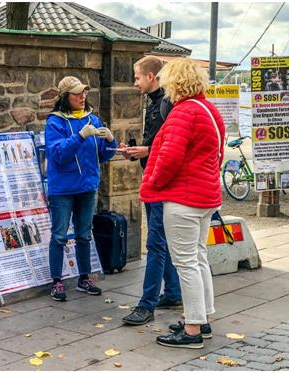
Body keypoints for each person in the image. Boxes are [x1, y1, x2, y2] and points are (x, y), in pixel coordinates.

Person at [140, 58, 225, 349]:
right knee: (198, 258)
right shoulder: (208, 109)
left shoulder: (182, 112)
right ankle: (202, 319)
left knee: (186, 263)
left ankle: (191, 331)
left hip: (183, 198)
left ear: (174, 82)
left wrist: (152, 184)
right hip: (206, 195)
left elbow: (169, 158)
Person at [120, 56, 182, 326]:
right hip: (153, 175)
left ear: (151, 77)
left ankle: (146, 305)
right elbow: (156, 141)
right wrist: (140, 152)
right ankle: (173, 291)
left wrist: (147, 151)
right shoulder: (156, 102)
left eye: (137, 77)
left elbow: (170, 146)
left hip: (160, 181)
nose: (135, 83)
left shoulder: (168, 104)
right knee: (162, 240)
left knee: (155, 242)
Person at [45, 76, 116, 301]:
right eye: (77, 94)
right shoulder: (54, 122)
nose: (82, 97)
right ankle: (56, 282)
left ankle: (84, 278)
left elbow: (104, 155)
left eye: (84, 93)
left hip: (87, 186)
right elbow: (58, 155)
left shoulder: (93, 120)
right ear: (66, 97)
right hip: (63, 189)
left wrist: (111, 141)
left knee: (84, 235)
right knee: (59, 236)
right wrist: (79, 136)